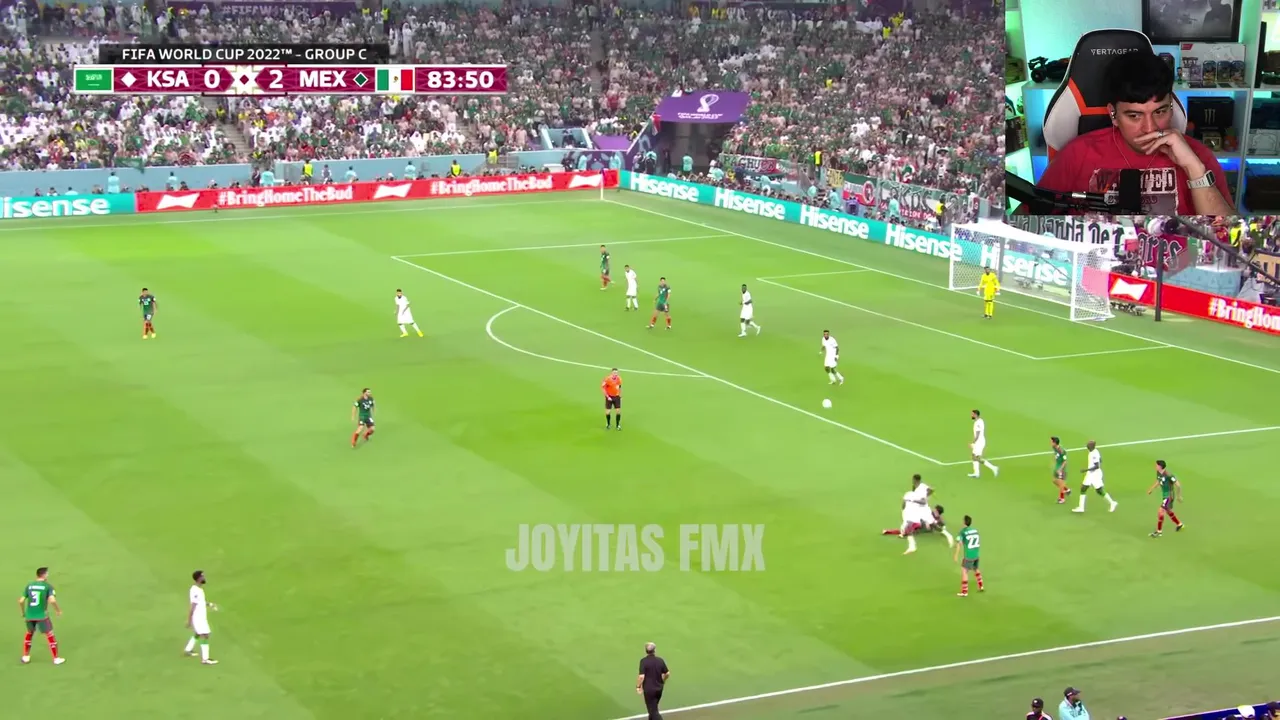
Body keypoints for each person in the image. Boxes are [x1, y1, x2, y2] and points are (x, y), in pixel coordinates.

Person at [1033, 50, 1233, 216]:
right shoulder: (1077, 154)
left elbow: (1229, 238)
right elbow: (1028, 220)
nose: (1150, 128)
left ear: (1172, 108)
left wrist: (1194, 169)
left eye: (1160, 112)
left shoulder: (1197, 155)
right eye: (1135, 116)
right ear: (1113, 114)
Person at [19, 567, 63, 665]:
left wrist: (23, 612)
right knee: (50, 635)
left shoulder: (29, 585)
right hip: (41, 615)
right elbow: (52, 600)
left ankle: (25, 656)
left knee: (29, 634)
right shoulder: (47, 586)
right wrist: (58, 610)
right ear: (44, 575)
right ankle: (56, 658)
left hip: (30, 615)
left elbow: (21, 601)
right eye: (47, 574)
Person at [184, 570, 218, 665]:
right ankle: (205, 659)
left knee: (198, 633)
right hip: (198, 617)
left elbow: (201, 602)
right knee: (205, 635)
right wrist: (189, 620)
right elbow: (193, 606)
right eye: (203, 576)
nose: (204, 578)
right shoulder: (195, 591)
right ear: (198, 578)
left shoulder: (198, 590)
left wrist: (210, 604)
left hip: (201, 616)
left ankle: (188, 650)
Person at [1074, 440, 1118, 513]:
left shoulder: (1094, 454)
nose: (1087, 446)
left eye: (1088, 445)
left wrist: (1085, 470)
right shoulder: (1093, 452)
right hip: (1090, 474)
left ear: (1092, 446)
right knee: (1083, 488)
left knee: (1099, 490)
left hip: (1095, 474)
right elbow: (1100, 460)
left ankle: (1112, 503)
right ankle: (1081, 507)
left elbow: (1097, 466)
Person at [1146, 459, 1184, 536]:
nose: (1155, 466)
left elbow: (1178, 485)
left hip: (1169, 496)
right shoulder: (1158, 473)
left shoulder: (1168, 475)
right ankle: (1179, 524)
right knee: (1168, 511)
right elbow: (1158, 481)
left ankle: (1159, 531)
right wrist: (1151, 489)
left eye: (1156, 465)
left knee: (1161, 511)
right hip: (1165, 496)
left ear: (1160, 466)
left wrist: (1179, 496)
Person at [636, 642, 669, 720]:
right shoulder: (660, 660)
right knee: (653, 709)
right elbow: (667, 673)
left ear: (646, 651)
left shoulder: (644, 661)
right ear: (655, 650)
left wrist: (638, 686)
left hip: (649, 690)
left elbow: (641, 676)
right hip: (659, 688)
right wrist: (663, 680)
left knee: (653, 711)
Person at [953, 515, 984, 596]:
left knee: (964, 571)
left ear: (964, 522)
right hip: (976, 554)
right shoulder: (975, 530)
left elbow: (959, 544)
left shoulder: (962, 532)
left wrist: (956, 555)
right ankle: (981, 585)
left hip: (969, 556)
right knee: (976, 568)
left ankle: (964, 592)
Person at [968, 410, 999, 478]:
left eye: (972, 414)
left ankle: (994, 468)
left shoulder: (978, 423)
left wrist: (972, 443)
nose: (971, 415)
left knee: (976, 458)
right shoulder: (980, 421)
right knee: (974, 457)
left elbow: (977, 434)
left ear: (976, 415)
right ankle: (976, 473)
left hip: (979, 442)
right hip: (979, 442)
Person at [1050, 436, 1072, 504]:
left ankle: (1062, 499)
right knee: (1054, 481)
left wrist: (1060, 469)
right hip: (1057, 467)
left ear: (1055, 443)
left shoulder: (1061, 451)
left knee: (1061, 483)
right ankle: (1067, 490)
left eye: (1051, 442)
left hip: (1061, 469)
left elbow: (1065, 461)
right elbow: (1056, 456)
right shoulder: (1054, 448)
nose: (1050, 443)